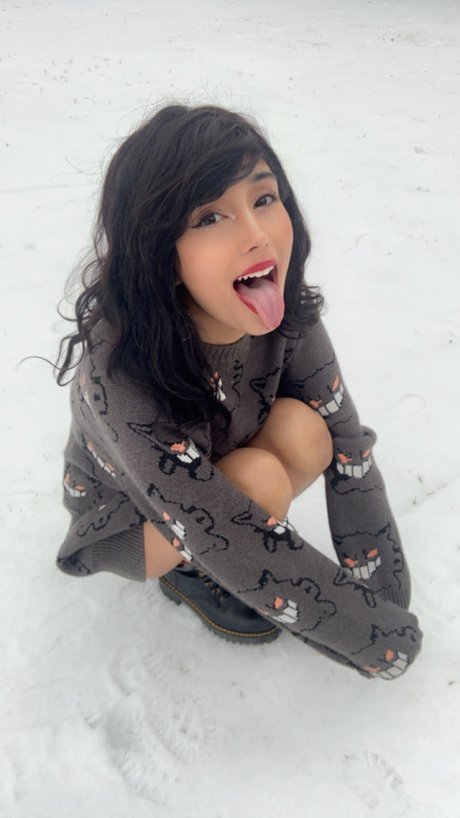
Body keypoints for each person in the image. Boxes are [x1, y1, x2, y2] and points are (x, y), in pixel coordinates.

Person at [53, 102, 422, 680]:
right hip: (133, 515)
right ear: (160, 252)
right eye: (209, 218)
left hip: (216, 451)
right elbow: (222, 524)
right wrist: (381, 642)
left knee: (308, 432)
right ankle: (193, 572)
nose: (257, 236)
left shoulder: (278, 306)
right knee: (256, 484)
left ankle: (227, 545)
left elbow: (348, 443)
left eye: (264, 198)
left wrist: (386, 599)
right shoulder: (120, 372)